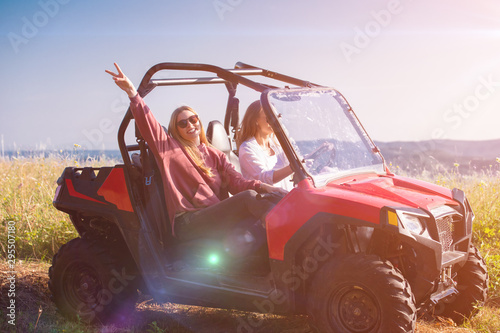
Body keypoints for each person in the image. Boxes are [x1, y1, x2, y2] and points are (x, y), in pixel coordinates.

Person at [105, 63, 285, 243]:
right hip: (188, 220)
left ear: (199, 120)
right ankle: (284, 233)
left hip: (214, 214)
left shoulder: (216, 155)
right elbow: (149, 125)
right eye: (182, 124)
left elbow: (237, 182)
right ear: (176, 130)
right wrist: (132, 93)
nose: (190, 125)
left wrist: (265, 187)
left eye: (193, 119)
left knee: (271, 196)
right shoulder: (170, 150)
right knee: (249, 198)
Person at [236, 100, 294, 191]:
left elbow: (292, 162)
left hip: (288, 197)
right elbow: (263, 178)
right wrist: (294, 167)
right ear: (256, 121)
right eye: (269, 118)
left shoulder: (278, 143)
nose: (274, 121)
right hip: (268, 202)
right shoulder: (246, 148)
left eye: (277, 117)